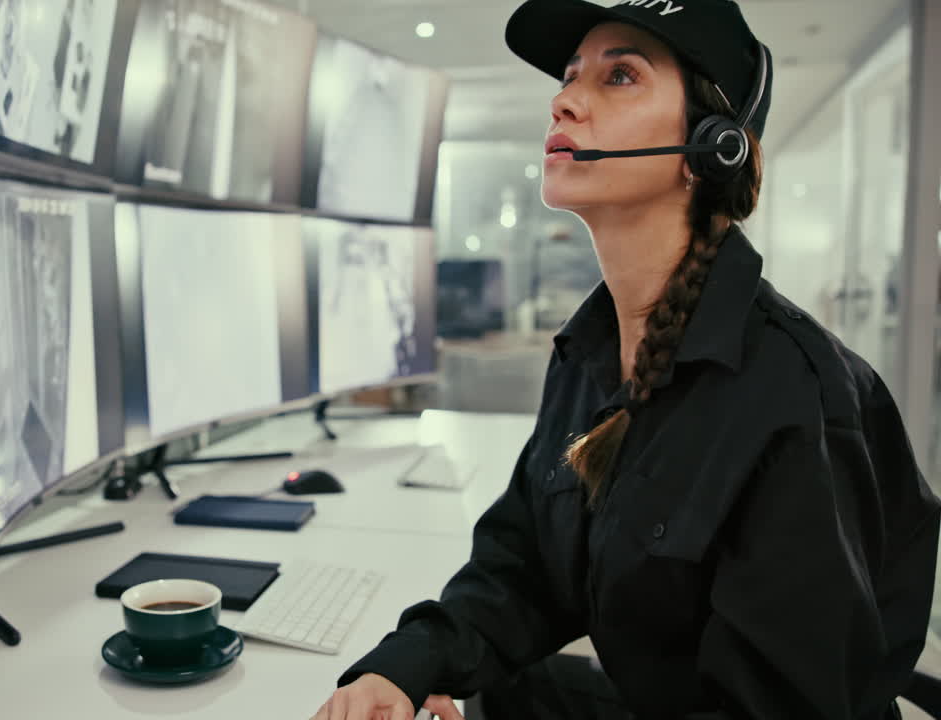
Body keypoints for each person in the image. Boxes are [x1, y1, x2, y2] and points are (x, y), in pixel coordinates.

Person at [309, 1, 941, 718]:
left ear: (712, 147)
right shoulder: (591, 355)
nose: (564, 100)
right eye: (572, 75)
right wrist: (408, 666)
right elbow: (527, 565)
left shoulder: (795, 398)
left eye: (619, 76)